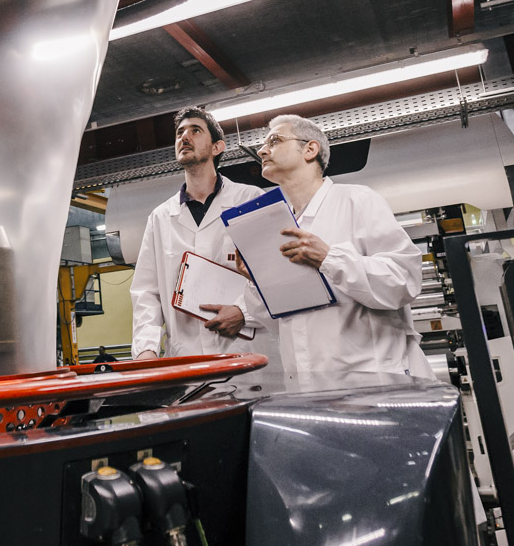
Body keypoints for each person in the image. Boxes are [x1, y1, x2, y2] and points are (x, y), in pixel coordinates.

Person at [208, 114, 433, 378]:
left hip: (371, 380)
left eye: (275, 140)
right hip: (307, 384)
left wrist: (330, 258)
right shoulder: (277, 227)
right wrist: (259, 282)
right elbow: (284, 324)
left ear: (310, 149)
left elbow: (404, 281)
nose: (261, 150)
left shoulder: (357, 200)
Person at [130, 107, 260, 360]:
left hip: (245, 352)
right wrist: (146, 349)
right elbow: (146, 292)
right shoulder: (160, 217)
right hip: (186, 357)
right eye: (180, 133)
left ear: (217, 147)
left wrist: (245, 312)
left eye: (195, 131)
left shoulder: (250, 199)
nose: (184, 137)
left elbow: (276, 275)